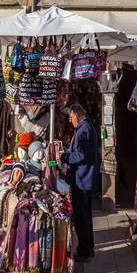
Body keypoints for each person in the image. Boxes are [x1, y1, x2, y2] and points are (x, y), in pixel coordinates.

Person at [60, 103, 100, 261]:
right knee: (86, 215)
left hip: (82, 180)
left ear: (76, 115)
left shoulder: (84, 130)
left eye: (70, 117)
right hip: (86, 179)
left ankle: (84, 251)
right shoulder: (86, 128)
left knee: (82, 216)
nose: (70, 121)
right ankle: (88, 247)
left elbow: (81, 155)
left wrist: (64, 158)